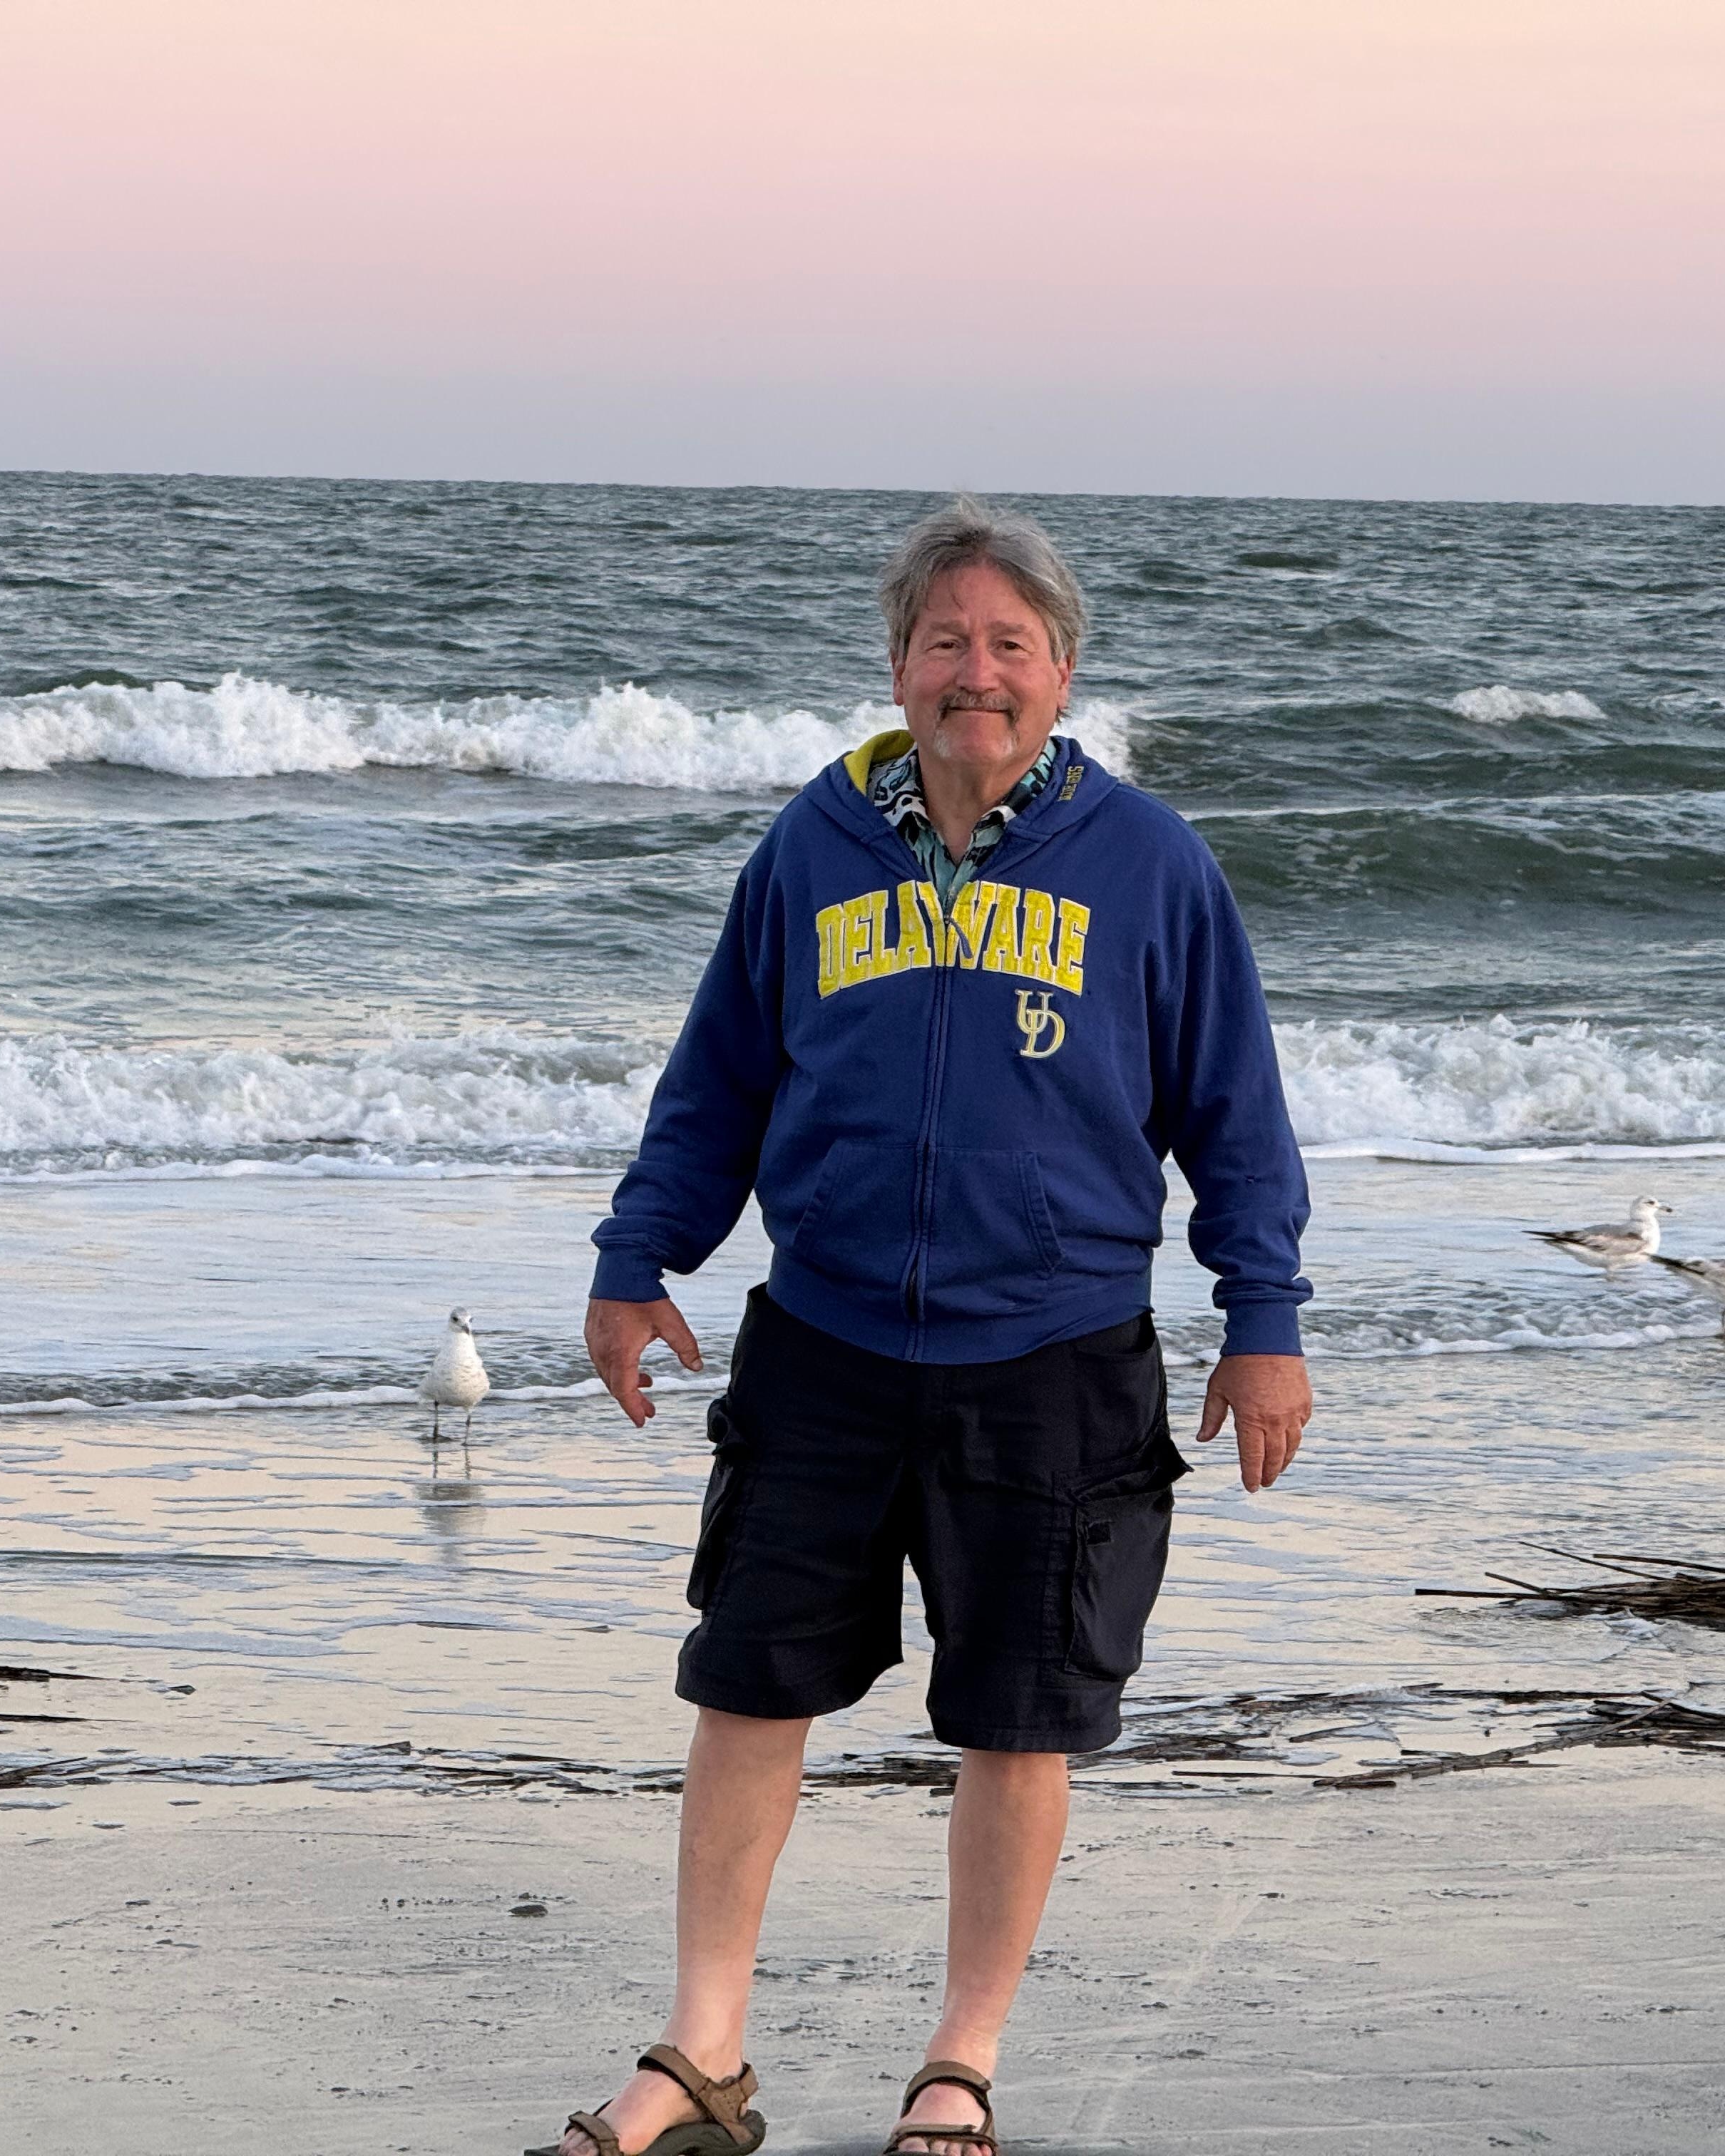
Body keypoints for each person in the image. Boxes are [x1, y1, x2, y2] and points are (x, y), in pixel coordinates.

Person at [543, 496, 1312, 2156]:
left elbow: (1235, 1116)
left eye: (1010, 645)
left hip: (1054, 1358)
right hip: (823, 1345)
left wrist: (1264, 1319)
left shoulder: (1148, 864)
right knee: (749, 1691)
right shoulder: (813, 847)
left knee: (1021, 1720)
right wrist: (636, 1257)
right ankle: (702, 2055)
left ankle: (958, 2063)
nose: (979, 673)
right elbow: (719, 1082)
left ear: (1062, 673)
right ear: (898, 666)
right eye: (947, 641)